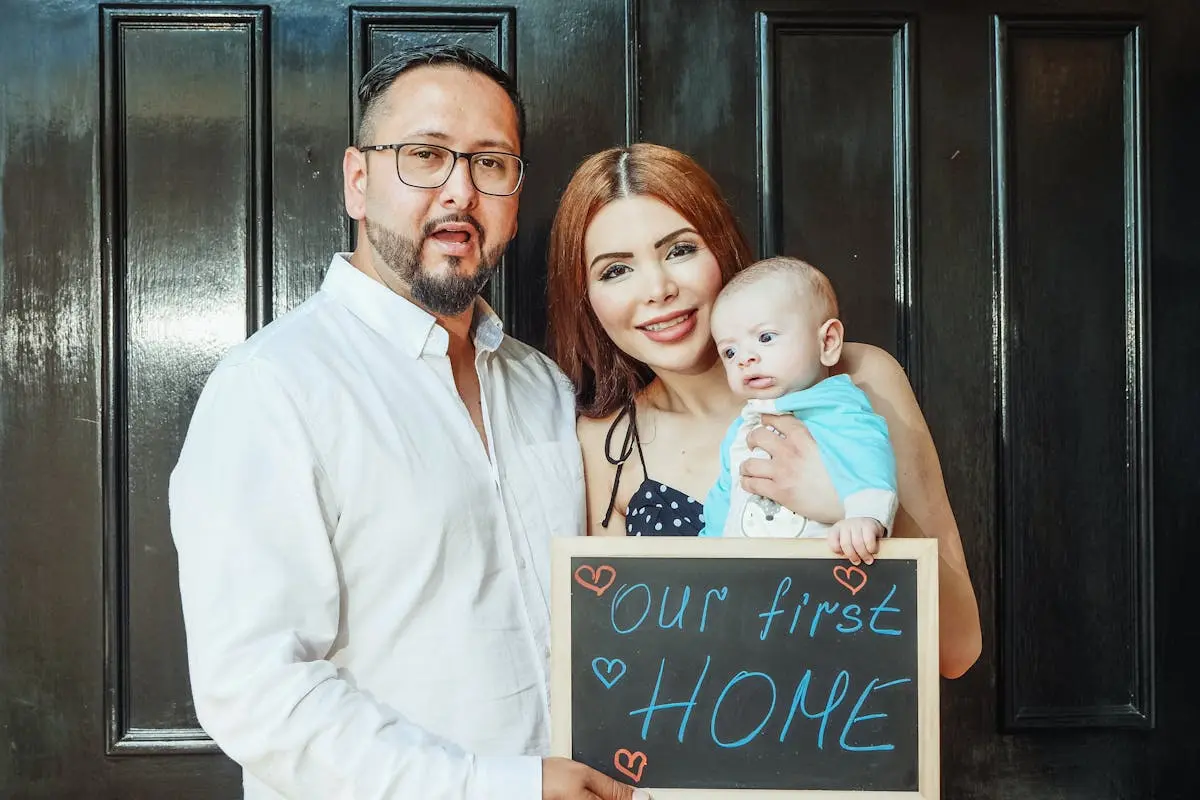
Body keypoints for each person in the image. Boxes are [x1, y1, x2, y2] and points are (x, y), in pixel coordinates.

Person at [169, 45, 642, 800]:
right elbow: (254, 690)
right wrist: (503, 787)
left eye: (491, 164)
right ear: (358, 181)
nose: (460, 191)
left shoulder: (545, 389)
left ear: (516, 198)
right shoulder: (271, 390)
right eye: (425, 155)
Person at [546, 143, 982, 679]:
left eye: (680, 250)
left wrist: (848, 501)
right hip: (700, 745)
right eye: (615, 271)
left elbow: (957, 650)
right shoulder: (607, 444)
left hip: (850, 739)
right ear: (585, 296)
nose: (658, 289)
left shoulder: (854, 380)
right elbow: (618, 671)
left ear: (722, 251)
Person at [702, 256, 898, 564]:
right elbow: (723, 497)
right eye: (730, 351)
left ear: (828, 342)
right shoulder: (744, 426)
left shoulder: (838, 408)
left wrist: (865, 516)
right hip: (744, 583)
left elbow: (869, 460)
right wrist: (702, 552)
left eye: (765, 337)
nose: (744, 358)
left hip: (818, 584)